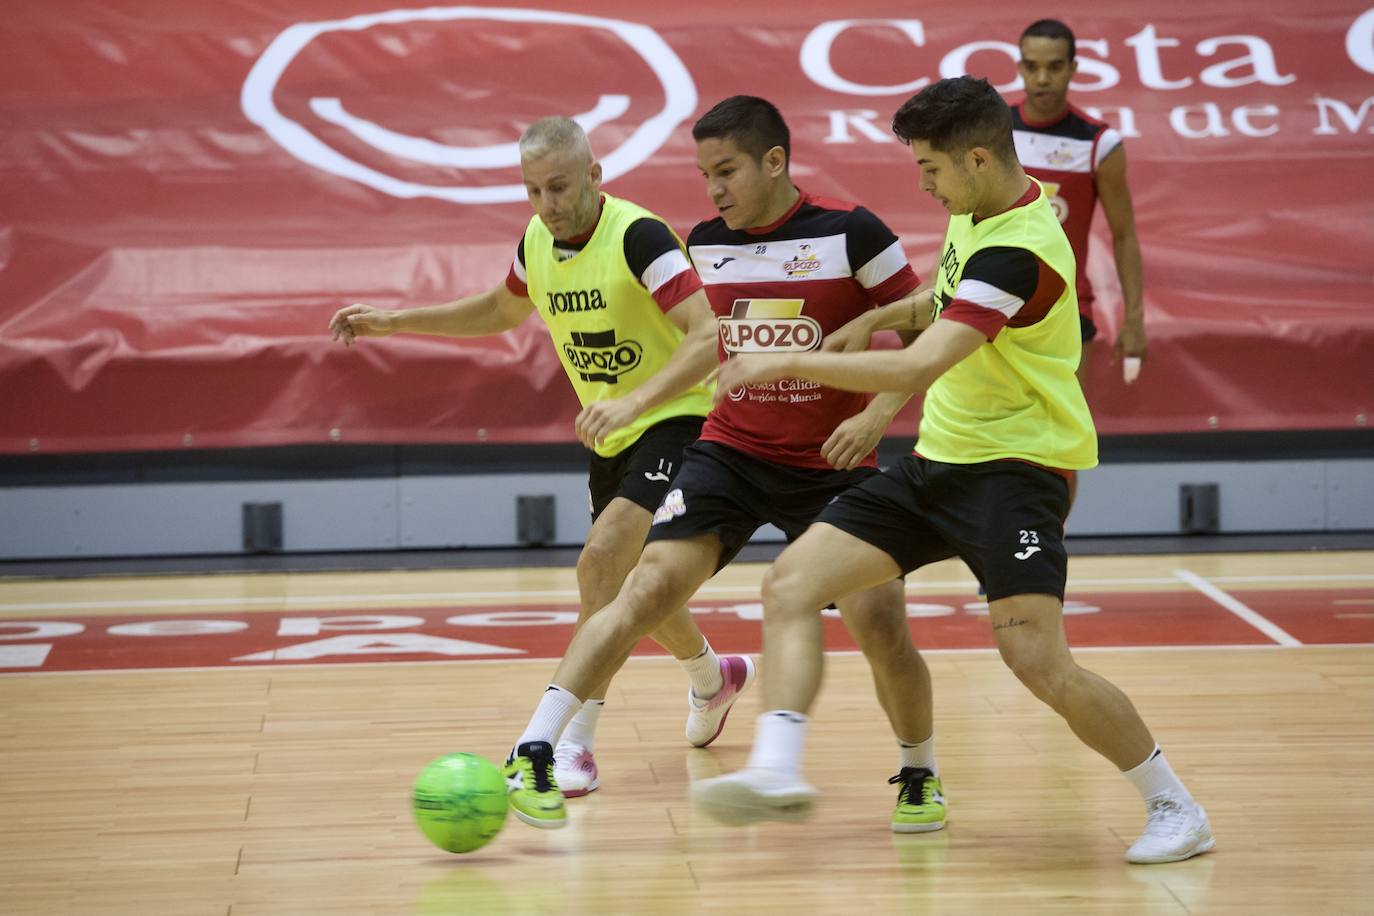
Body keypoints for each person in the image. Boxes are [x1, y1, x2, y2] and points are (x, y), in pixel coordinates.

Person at [693, 77, 1214, 866]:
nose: (923, 185)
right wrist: (877, 314)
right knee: (791, 583)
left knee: (1037, 661)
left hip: (1018, 471)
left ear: (976, 159)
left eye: (930, 168)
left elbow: (926, 360)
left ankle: (1175, 805)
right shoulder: (976, 211)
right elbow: (942, 301)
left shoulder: (1019, 249)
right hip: (939, 459)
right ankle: (776, 767)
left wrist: (788, 359)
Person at [502, 96, 947, 835]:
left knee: (881, 622)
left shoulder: (853, 230)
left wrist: (876, 415)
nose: (713, 189)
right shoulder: (705, 243)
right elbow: (704, 342)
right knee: (642, 585)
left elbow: (928, 324)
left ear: (774, 161)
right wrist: (636, 401)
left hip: (833, 465)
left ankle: (920, 771)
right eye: (704, 173)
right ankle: (535, 747)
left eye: (727, 171)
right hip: (732, 451)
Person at [329, 116, 742, 797]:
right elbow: (501, 309)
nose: (547, 204)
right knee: (629, 583)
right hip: (612, 434)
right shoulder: (537, 241)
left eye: (559, 186)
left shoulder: (639, 236)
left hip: (678, 420)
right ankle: (710, 676)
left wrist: (635, 402)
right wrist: (397, 321)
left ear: (594, 175)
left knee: (600, 565)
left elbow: (708, 336)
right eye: (533, 190)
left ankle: (571, 743)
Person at [1014, 18, 1146, 384]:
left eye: (1055, 67)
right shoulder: (993, 130)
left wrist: (1135, 319)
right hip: (992, 300)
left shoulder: (1099, 143)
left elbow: (1124, 236)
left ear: (1073, 68)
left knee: (1062, 421)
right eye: (1032, 67)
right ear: (1020, 67)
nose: (1042, 78)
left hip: (1066, 305)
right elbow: (963, 220)